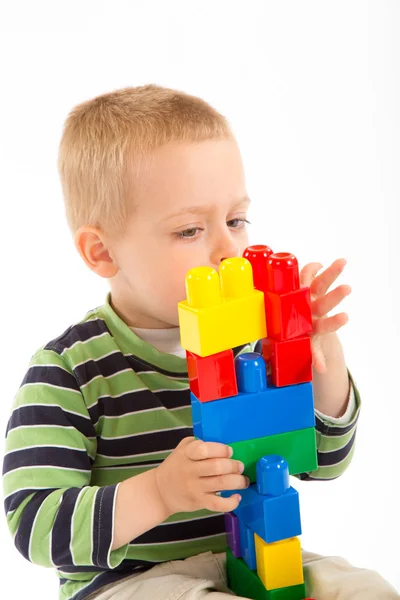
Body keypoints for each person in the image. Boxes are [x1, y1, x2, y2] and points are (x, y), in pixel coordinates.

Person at [3, 85, 398, 600]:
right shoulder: (68, 371)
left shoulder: (250, 353)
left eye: (236, 221)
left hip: (254, 555)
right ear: (102, 252)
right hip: (129, 583)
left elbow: (323, 461)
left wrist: (318, 355)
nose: (229, 250)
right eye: (190, 230)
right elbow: (36, 525)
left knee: (364, 589)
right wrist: (160, 492)